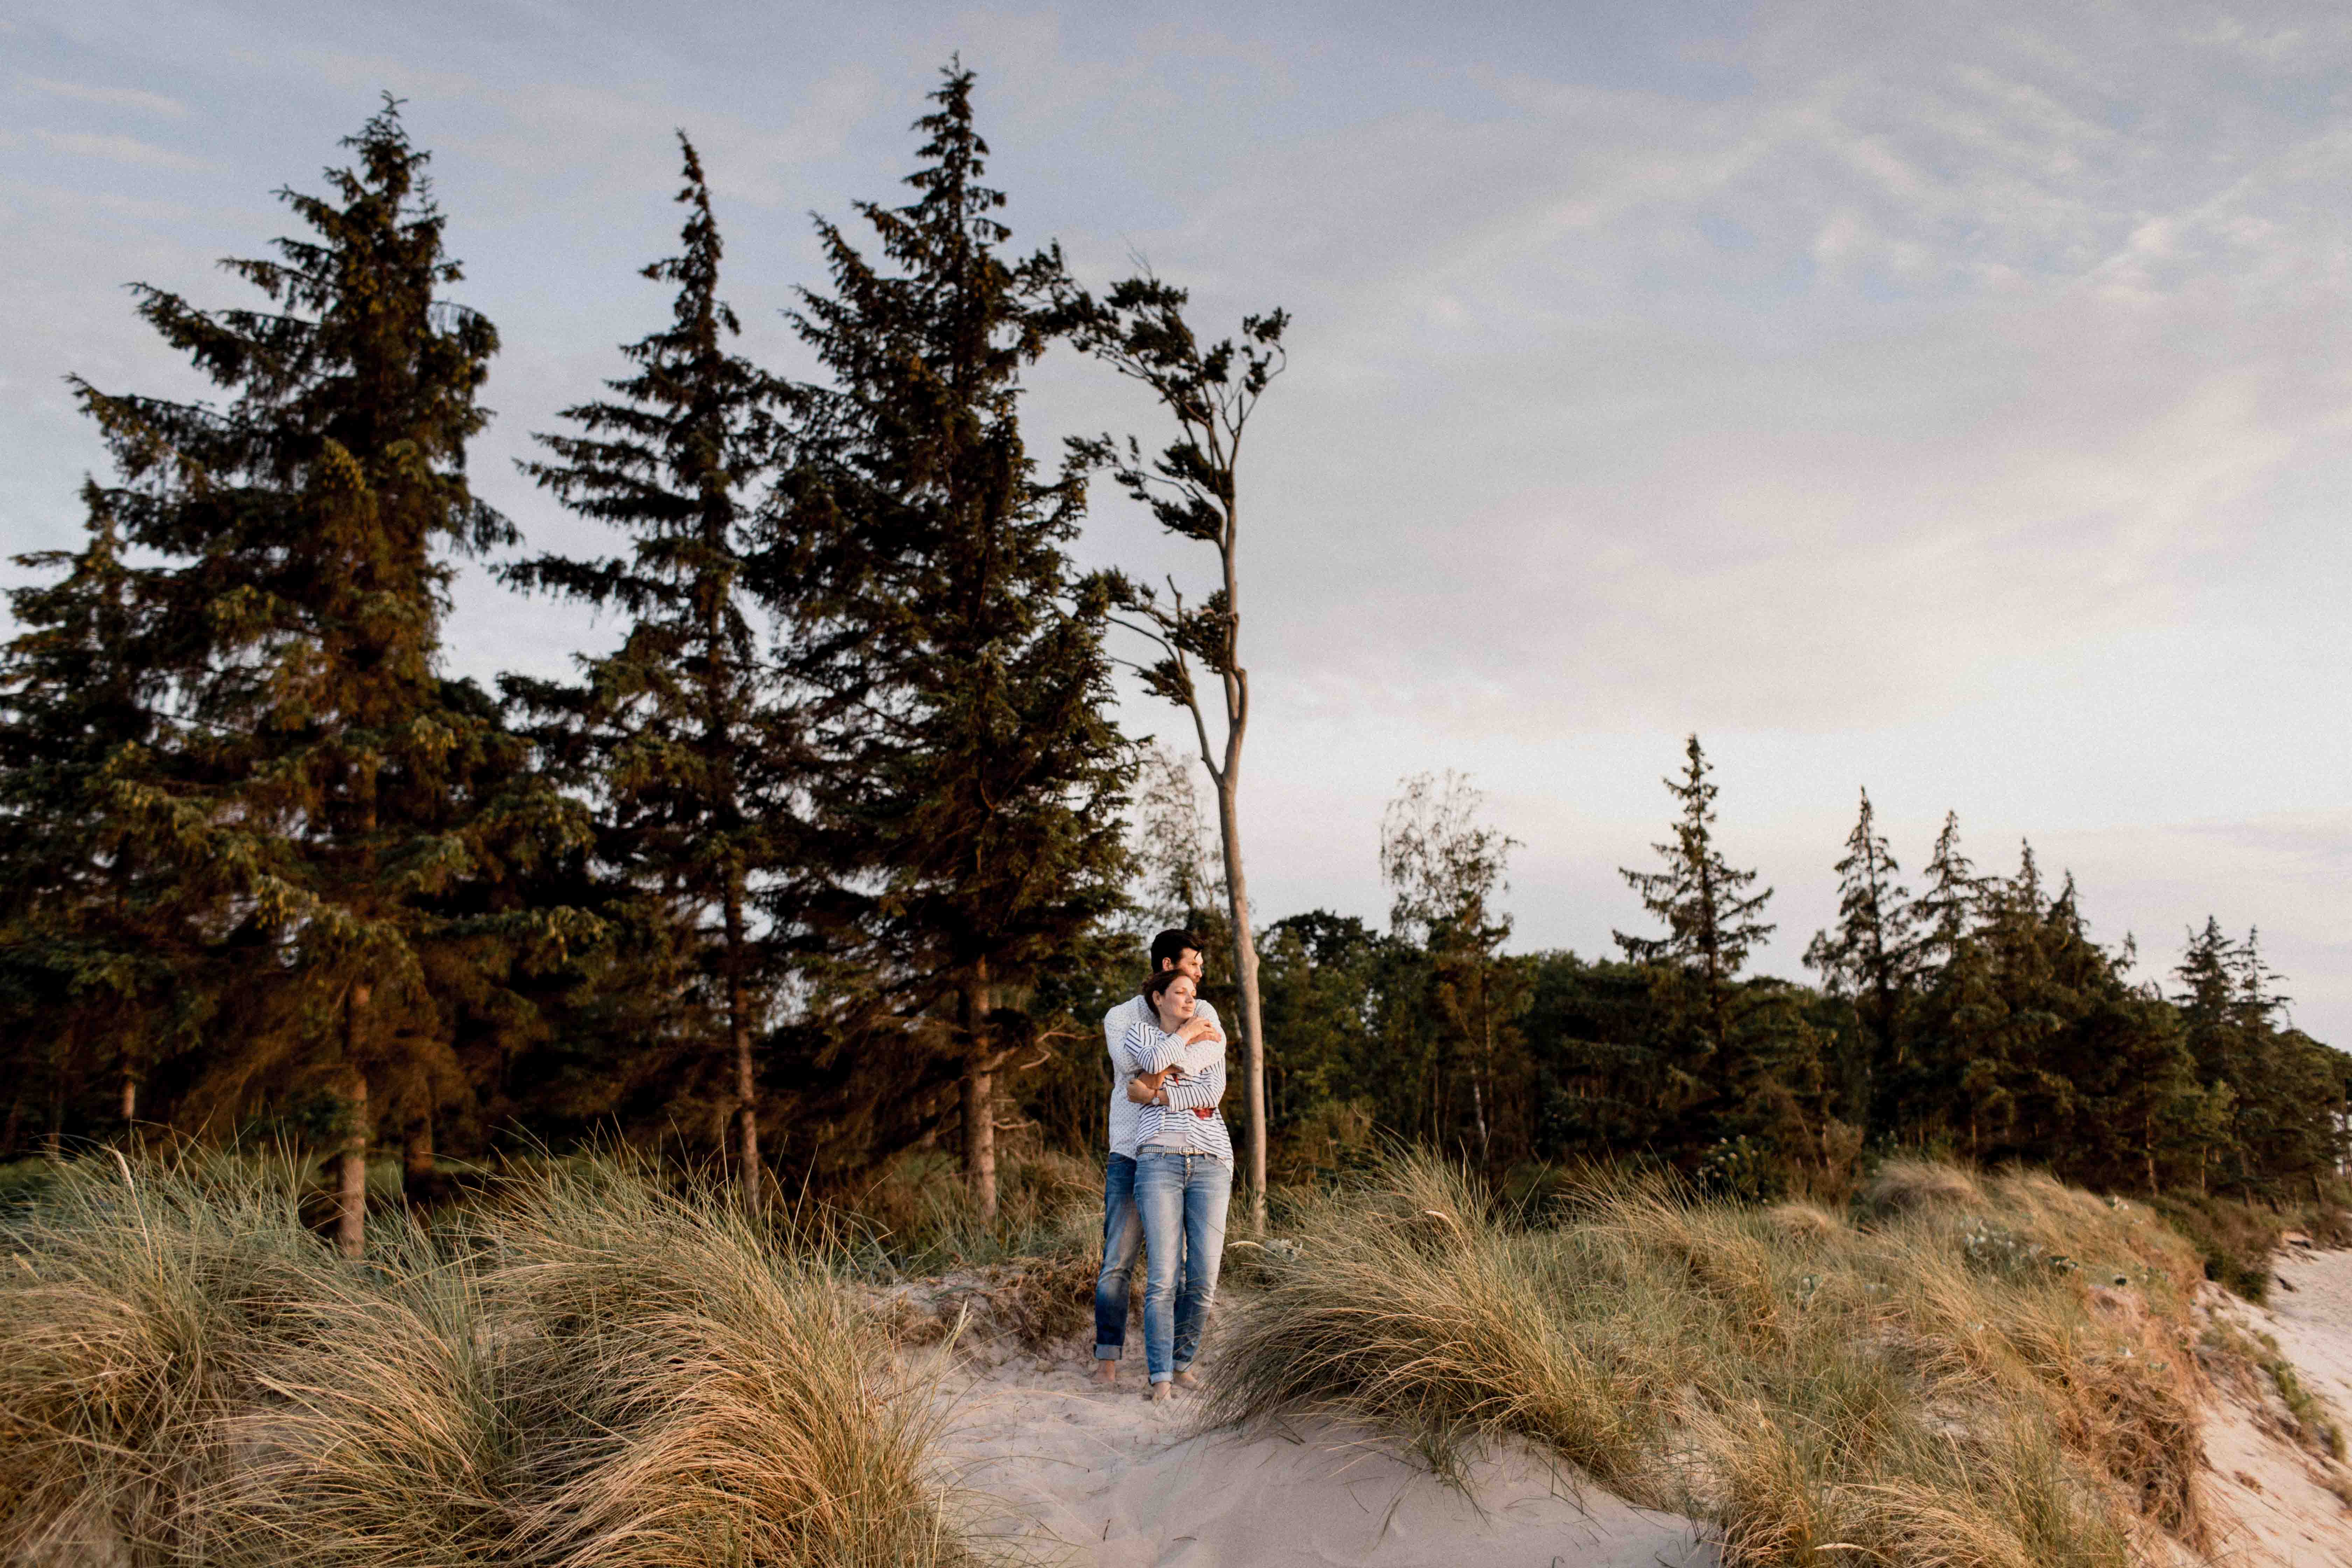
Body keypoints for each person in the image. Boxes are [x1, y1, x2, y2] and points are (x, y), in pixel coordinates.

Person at [1093, 930, 1222, 1385]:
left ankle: (1174, 1365)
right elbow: (1135, 1075)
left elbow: (1208, 1061)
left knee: (1181, 1269)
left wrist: (1170, 1055)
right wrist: (1185, 1038)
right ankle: (1107, 1360)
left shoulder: (1201, 1007)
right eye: (1194, 964)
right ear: (1168, 967)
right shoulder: (1121, 1017)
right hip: (1130, 1149)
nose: (1200, 974)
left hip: (1178, 1148)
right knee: (1119, 1260)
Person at [1119, 965, 1234, 1401]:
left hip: (1211, 1161)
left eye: (1193, 993)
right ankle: (1161, 1377)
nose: (1191, 1000)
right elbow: (1149, 1061)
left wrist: (1157, 1091)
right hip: (1158, 1160)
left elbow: (1211, 1094)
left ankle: (1183, 1362)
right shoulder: (1140, 1035)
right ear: (1159, 999)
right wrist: (1183, 1041)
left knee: (1204, 1278)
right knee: (1164, 1278)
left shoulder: (1213, 1033)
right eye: (1181, 993)